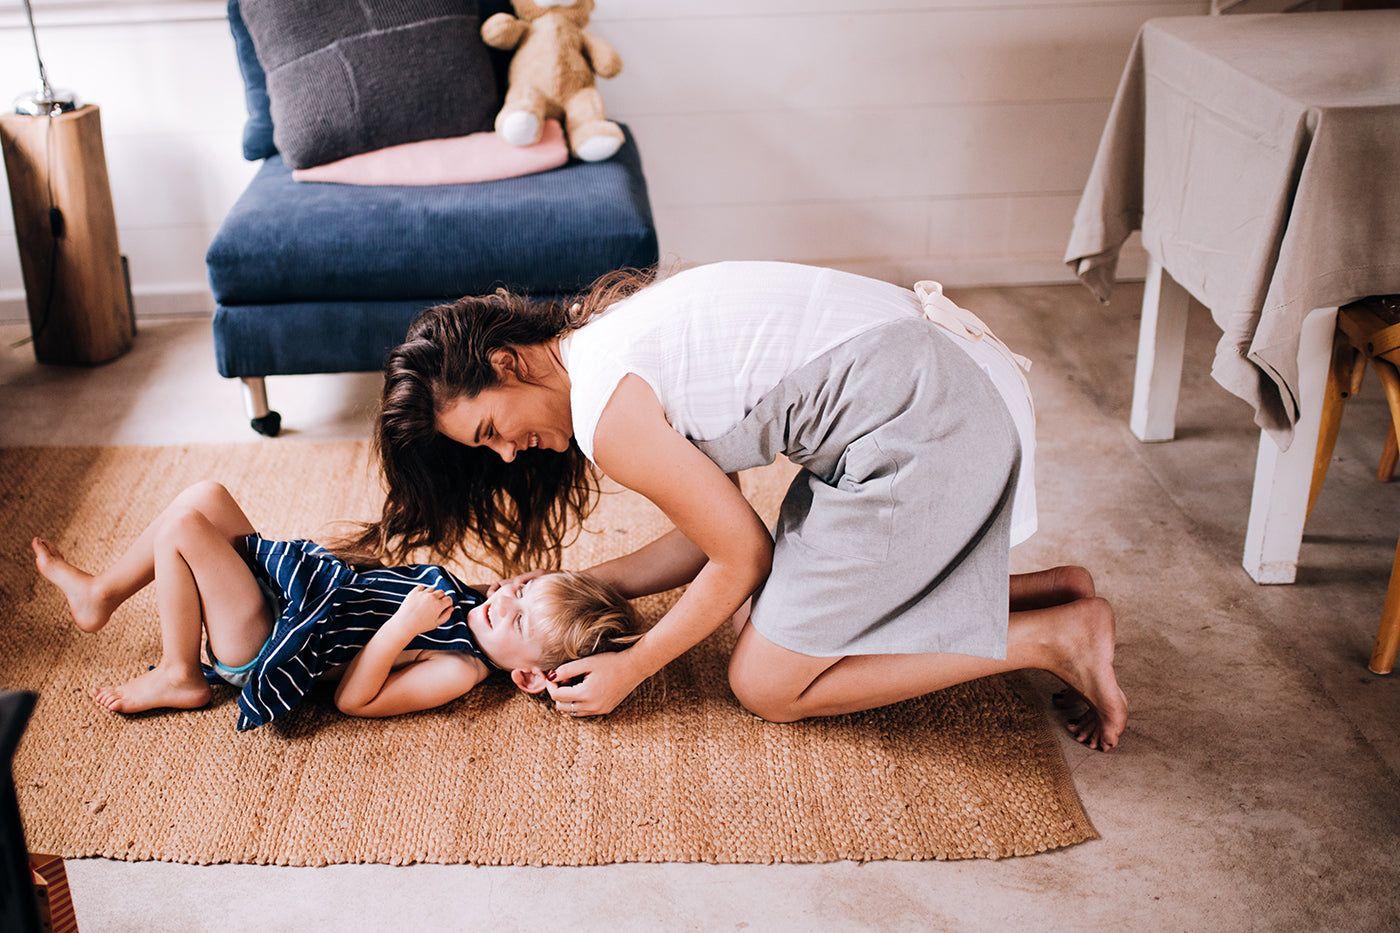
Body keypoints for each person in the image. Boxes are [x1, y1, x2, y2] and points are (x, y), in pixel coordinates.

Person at [360, 261, 1128, 750]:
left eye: (492, 428)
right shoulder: (605, 335)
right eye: (483, 450)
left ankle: (1052, 637)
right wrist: (572, 586)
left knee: (765, 680)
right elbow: (707, 538)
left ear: (506, 362)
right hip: (946, 379)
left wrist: (634, 665)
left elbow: (741, 554)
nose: (504, 452)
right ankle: (1041, 593)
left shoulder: (604, 412)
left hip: (935, 423)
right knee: (755, 612)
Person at [31, 480, 640, 730]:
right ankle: (101, 593)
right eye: (523, 590)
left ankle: (182, 672)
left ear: (528, 676)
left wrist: (403, 628)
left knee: (184, 529)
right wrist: (508, 591)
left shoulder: (457, 669)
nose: (507, 599)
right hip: (294, 597)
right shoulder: (472, 605)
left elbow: (355, 700)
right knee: (206, 496)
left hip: (270, 641)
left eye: (522, 619)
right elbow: (490, 593)